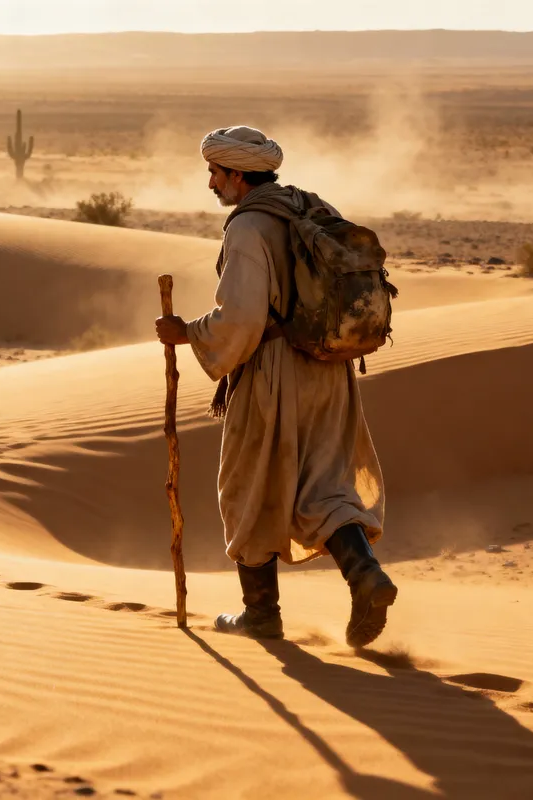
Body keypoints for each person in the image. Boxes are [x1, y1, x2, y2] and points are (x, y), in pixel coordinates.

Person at [154, 125, 397, 648]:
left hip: (272, 372)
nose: (211, 183)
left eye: (215, 173)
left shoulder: (249, 229)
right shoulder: (307, 205)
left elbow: (240, 320)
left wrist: (187, 333)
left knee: (248, 485)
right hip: (329, 372)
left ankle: (261, 614)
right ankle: (365, 575)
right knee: (323, 484)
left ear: (237, 174)